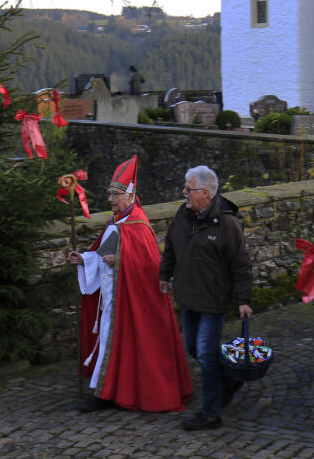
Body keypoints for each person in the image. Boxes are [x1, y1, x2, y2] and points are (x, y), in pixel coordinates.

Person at [67, 155, 192, 413]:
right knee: (109, 340)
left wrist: (120, 259)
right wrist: (85, 259)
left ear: (130, 194)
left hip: (129, 299)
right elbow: (104, 255)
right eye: (109, 194)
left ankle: (112, 393)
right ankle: (106, 391)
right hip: (113, 298)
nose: (111, 199)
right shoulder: (118, 222)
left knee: (127, 344)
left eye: (116, 194)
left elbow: (147, 266)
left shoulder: (138, 225)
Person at [160, 165, 253, 431]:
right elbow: (171, 247)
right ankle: (229, 378)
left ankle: (211, 412)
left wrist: (244, 300)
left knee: (206, 352)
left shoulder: (227, 224)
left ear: (204, 193)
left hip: (213, 299)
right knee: (193, 349)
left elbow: (241, 265)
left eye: (188, 189)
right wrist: (164, 275)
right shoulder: (183, 214)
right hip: (188, 296)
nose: (183, 192)